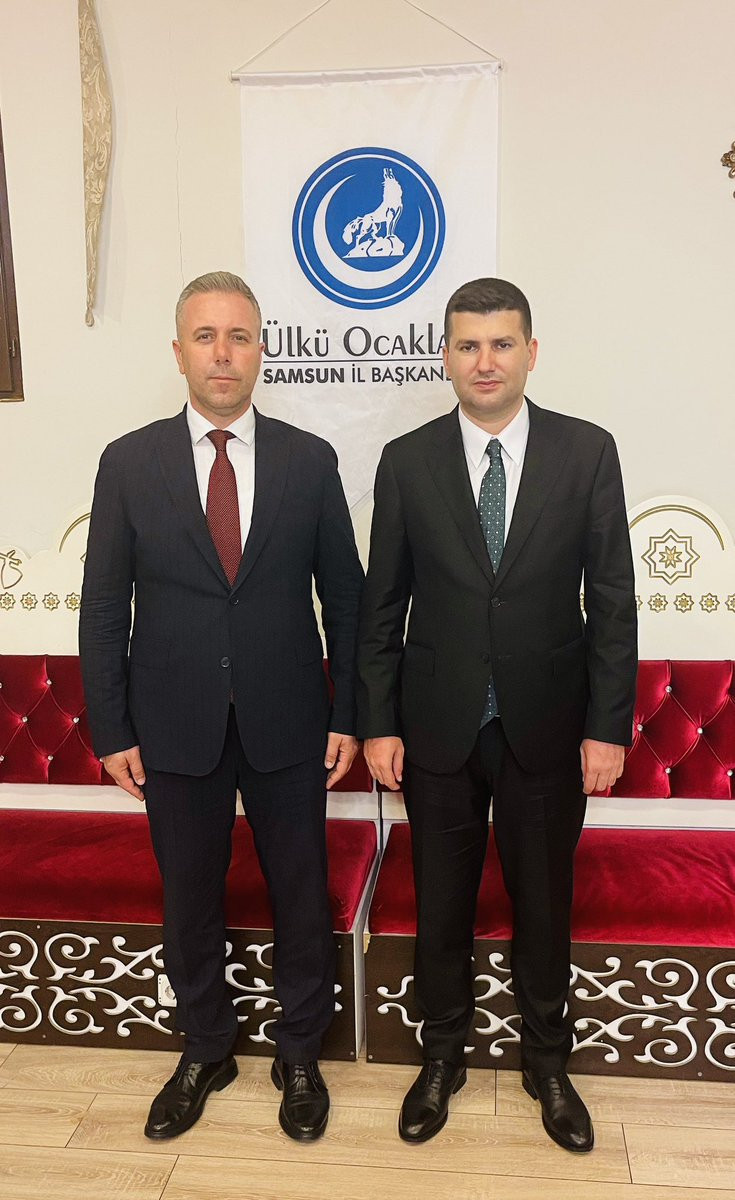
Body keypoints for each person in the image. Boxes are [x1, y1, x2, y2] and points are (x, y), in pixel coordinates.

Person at [79, 271, 364, 1143]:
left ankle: (299, 1053)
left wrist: (348, 713)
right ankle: (206, 1048)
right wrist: (111, 728)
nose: (222, 353)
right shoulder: (128, 462)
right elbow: (104, 605)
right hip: (171, 725)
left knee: (300, 895)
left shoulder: (309, 460)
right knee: (190, 898)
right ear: (178, 352)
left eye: (238, 336)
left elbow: (345, 601)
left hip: (291, 721)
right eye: (205, 336)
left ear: (261, 350)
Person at [357, 277, 637, 1152]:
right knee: (440, 907)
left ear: (530, 352)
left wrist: (606, 726)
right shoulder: (406, 461)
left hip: (548, 729)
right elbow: (381, 605)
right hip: (436, 729)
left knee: (543, 907)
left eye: (501, 343)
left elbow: (613, 601)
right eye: (468, 345)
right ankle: (440, 1057)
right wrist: (377, 721)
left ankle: (546, 1063)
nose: (485, 361)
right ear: (445, 356)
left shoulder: (586, 452)